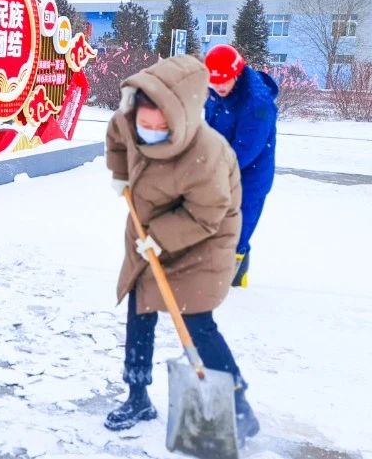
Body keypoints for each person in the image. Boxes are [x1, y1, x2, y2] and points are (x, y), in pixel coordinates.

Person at [102, 55, 258, 446]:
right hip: (147, 229)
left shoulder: (206, 153)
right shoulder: (128, 119)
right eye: (145, 124)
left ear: (181, 118)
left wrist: (162, 238)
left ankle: (235, 401)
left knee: (195, 320)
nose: (150, 131)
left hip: (203, 238)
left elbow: (208, 213)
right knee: (141, 308)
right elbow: (117, 137)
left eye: (161, 127)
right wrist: (121, 175)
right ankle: (137, 396)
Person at [203, 44, 278, 288]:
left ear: (237, 72)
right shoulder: (217, 89)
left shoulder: (257, 104)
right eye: (214, 82)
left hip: (251, 175)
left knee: (239, 223)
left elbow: (245, 149)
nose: (219, 87)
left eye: (224, 81)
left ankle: (235, 280)